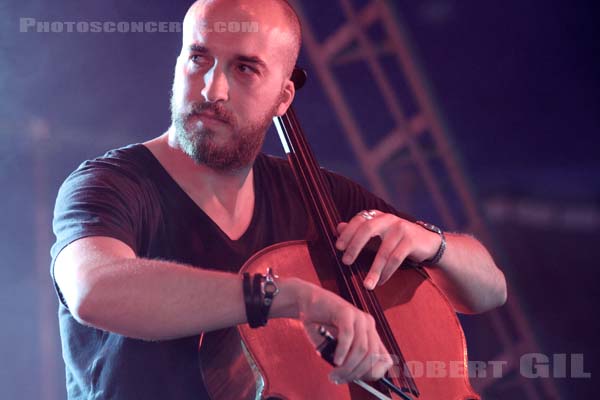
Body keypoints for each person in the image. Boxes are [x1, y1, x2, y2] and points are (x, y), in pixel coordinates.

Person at [51, 0, 507, 398]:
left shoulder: (320, 197)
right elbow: (93, 289)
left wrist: (432, 243)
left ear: (284, 97)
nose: (213, 90)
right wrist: (286, 297)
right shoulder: (109, 184)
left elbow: (489, 289)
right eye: (198, 59)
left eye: (244, 68)